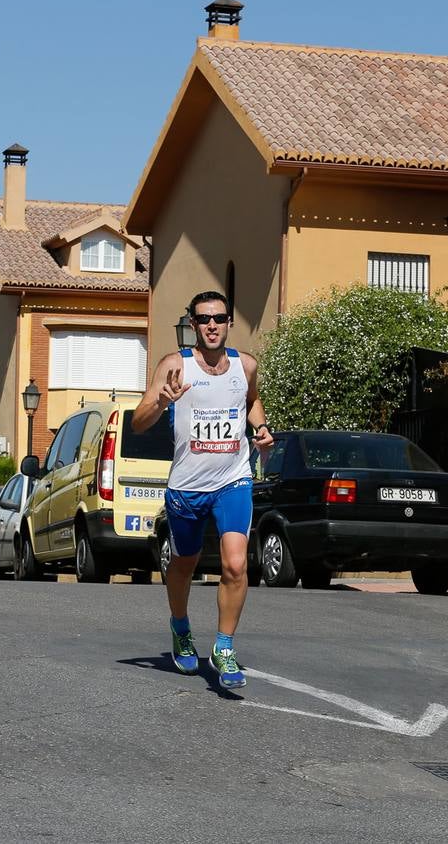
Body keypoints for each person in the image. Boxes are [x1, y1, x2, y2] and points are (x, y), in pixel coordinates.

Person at [132, 290, 273, 689]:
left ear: (229, 323)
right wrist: (160, 401)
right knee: (184, 564)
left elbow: (252, 400)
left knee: (235, 564)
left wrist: (260, 431)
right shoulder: (175, 366)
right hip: (187, 486)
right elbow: (139, 422)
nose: (212, 325)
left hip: (233, 479)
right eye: (204, 319)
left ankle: (224, 647)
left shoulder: (245, 366)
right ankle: (180, 627)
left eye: (219, 318)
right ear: (192, 325)